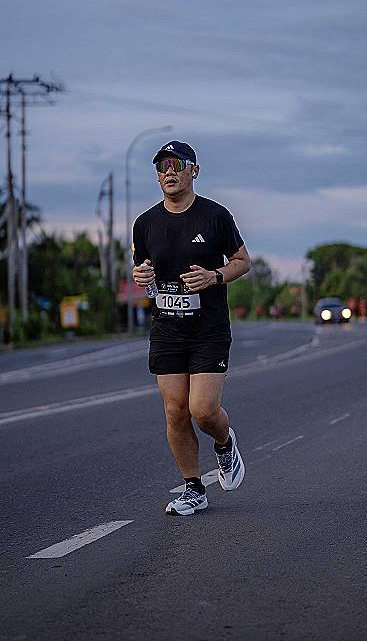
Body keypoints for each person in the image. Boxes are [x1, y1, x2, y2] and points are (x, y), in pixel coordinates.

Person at [132, 140, 251, 515]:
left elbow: (242, 261)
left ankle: (224, 443)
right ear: (157, 175)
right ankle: (193, 488)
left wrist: (214, 276)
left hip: (208, 329)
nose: (169, 171)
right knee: (175, 411)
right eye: (162, 166)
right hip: (167, 329)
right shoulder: (145, 224)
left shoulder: (215, 216)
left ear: (194, 170)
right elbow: (144, 269)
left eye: (177, 164)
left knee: (202, 410)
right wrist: (141, 277)